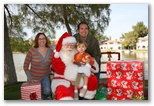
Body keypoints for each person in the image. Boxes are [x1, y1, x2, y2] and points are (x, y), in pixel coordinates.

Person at [51, 32, 98, 100]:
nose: (70, 47)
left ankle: (87, 98)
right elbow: (59, 69)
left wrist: (90, 62)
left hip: (78, 78)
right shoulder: (57, 55)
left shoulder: (77, 53)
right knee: (63, 92)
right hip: (63, 80)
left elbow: (94, 67)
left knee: (92, 78)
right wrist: (79, 69)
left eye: (72, 45)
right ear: (63, 45)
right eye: (67, 45)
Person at [23, 33, 53, 100]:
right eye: (39, 39)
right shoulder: (32, 51)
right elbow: (25, 66)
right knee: (35, 96)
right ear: (37, 40)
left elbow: (54, 64)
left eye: (43, 38)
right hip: (33, 77)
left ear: (46, 39)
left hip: (45, 76)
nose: (42, 40)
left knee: (47, 91)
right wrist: (30, 79)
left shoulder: (51, 51)